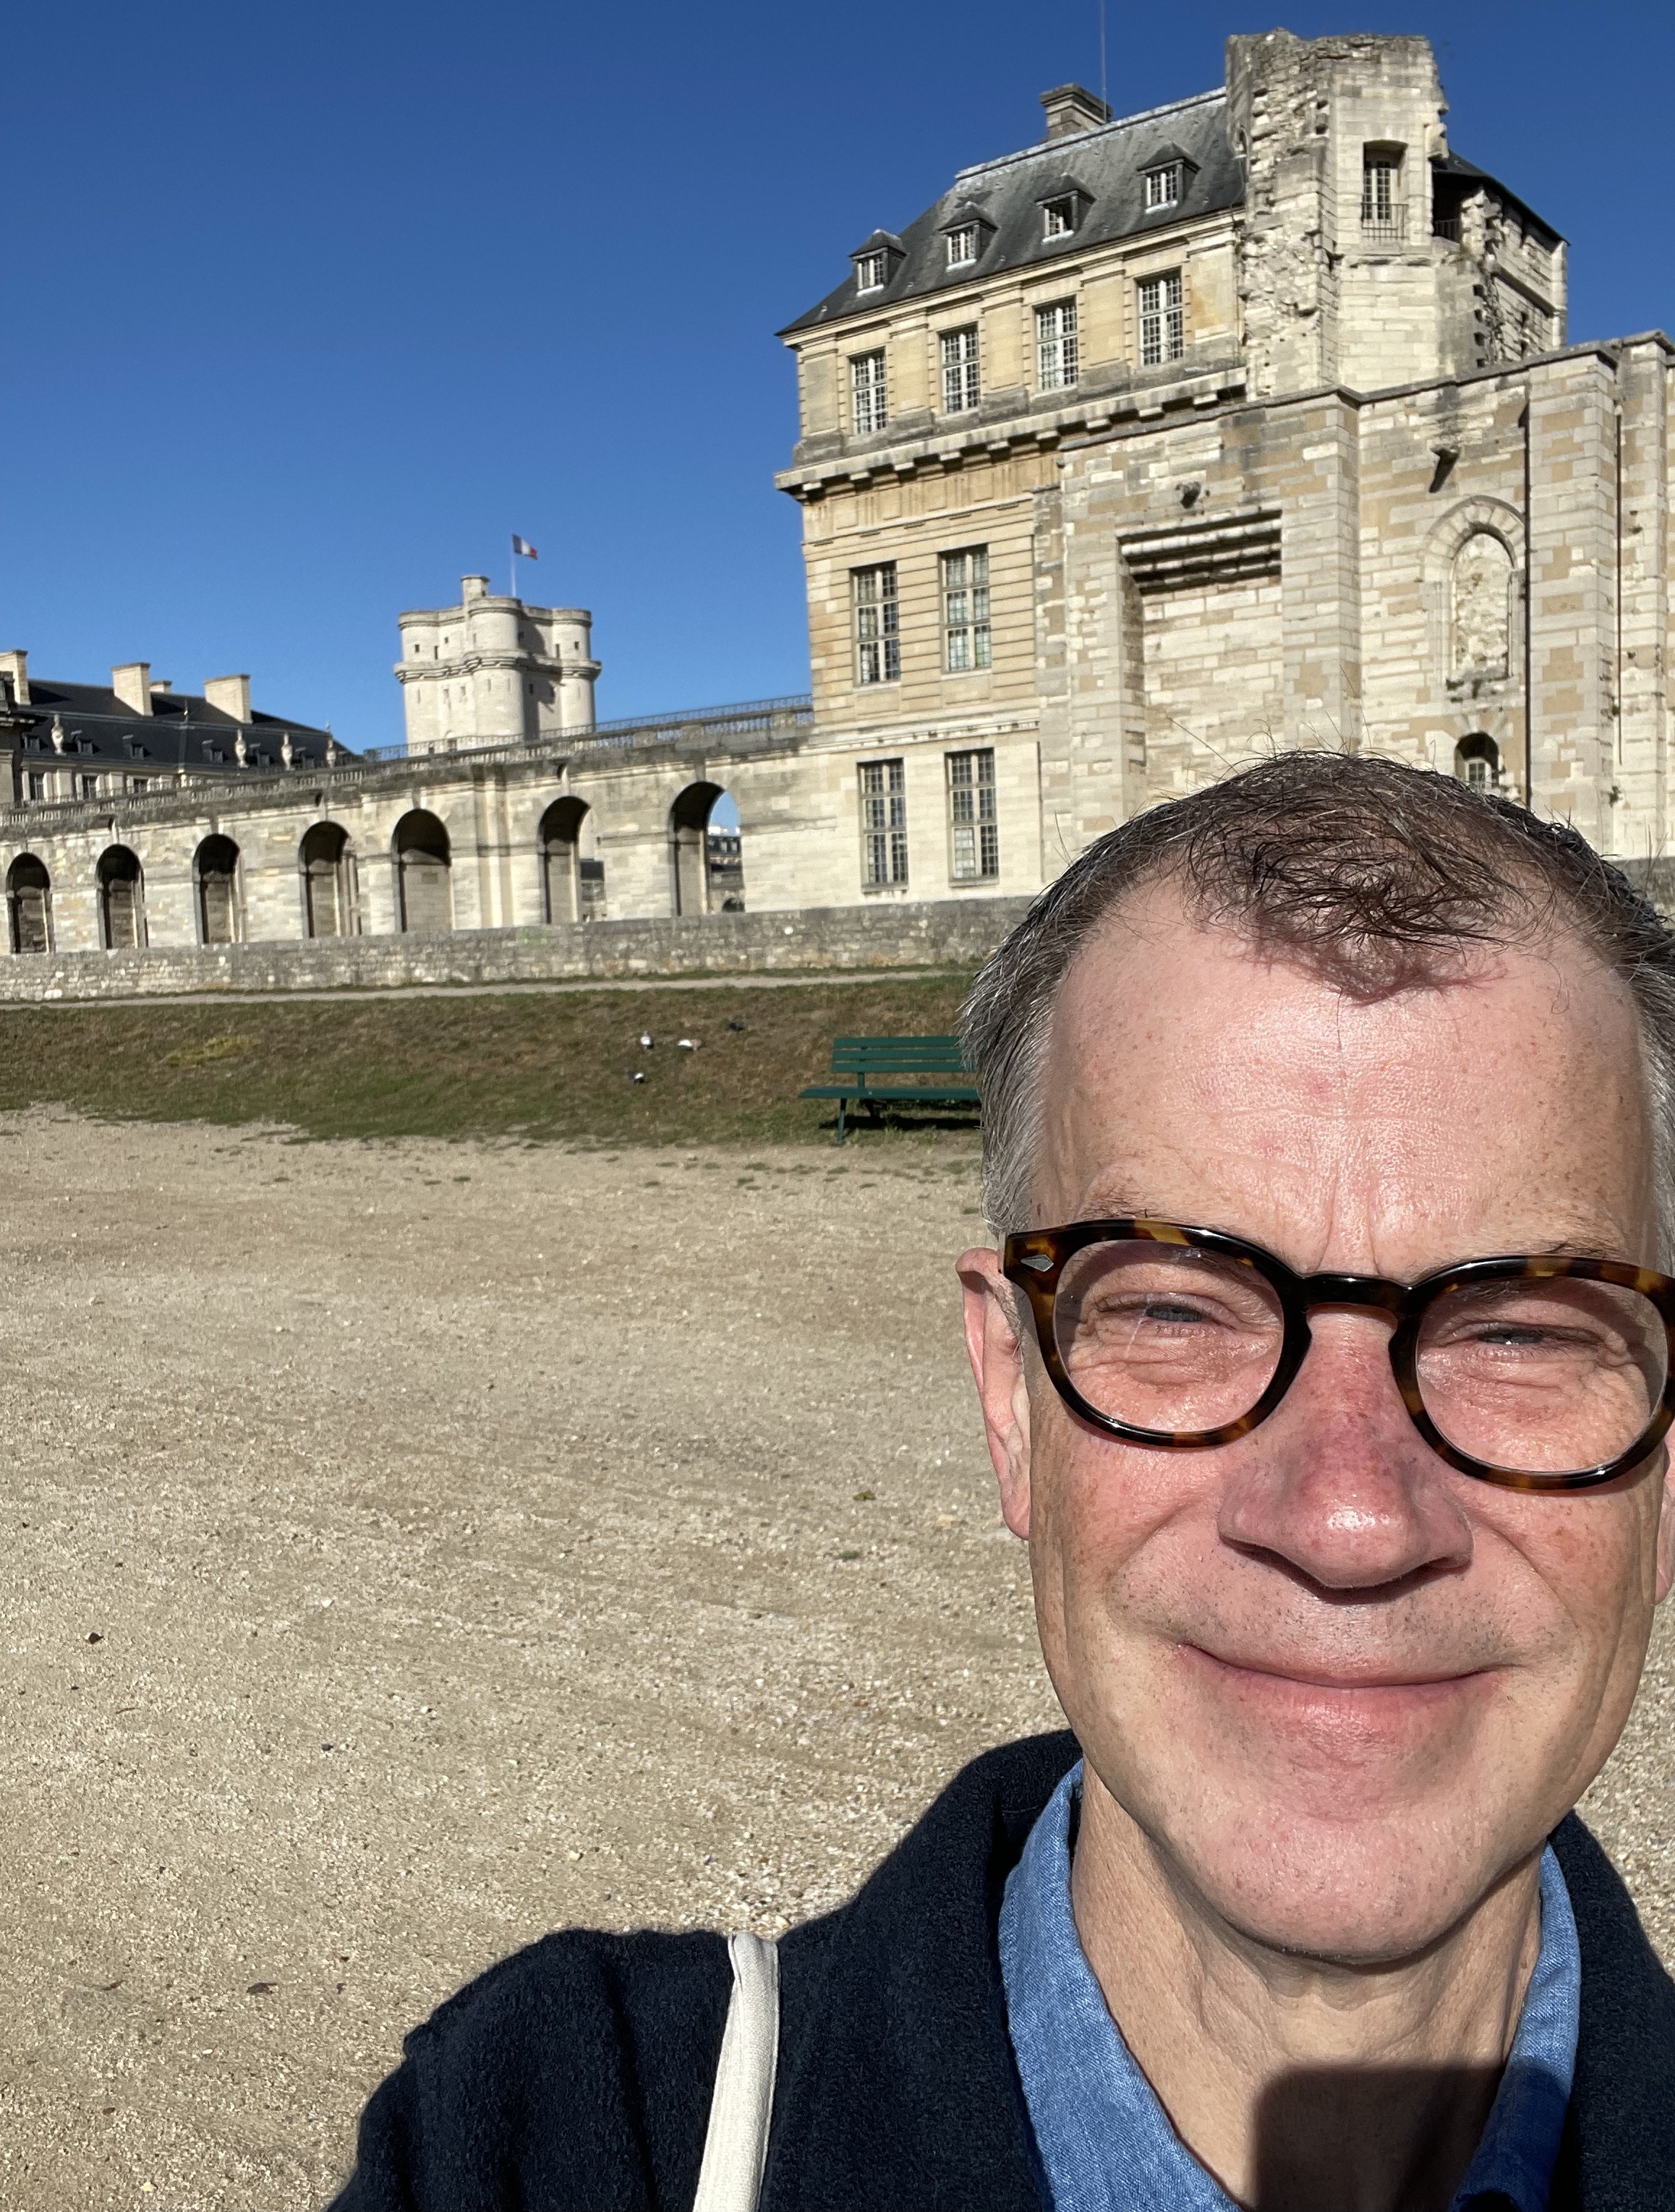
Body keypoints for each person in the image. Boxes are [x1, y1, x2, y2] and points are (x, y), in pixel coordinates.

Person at [330, 753, 1675, 2211]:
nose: (1351, 1518)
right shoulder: (544, 2137)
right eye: (1175, 1309)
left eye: (1526, 1329)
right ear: (1008, 1396)